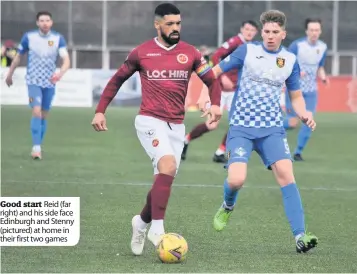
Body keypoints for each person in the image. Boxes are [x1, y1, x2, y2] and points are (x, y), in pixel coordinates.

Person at [91, 3, 222, 256]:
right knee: (168, 166)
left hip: (176, 125)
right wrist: (100, 110)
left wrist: (215, 104)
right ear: (157, 24)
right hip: (149, 120)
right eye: (170, 24)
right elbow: (117, 80)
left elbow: (211, 80)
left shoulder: (191, 53)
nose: (175, 28)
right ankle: (157, 230)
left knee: (163, 180)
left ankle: (140, 222)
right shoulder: (142, 52)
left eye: (178, 23)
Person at [208, 10, 318, 253]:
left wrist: (304, 113)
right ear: (262, 32)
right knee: (236, 180)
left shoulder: (289, 59)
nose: (270, 36)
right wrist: (211, 103)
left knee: (288, 177)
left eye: (275, 32)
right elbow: (213, 73)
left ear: (283, 34)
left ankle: (300, 236)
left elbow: (296, 97)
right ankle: (227, 206)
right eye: (266, 31)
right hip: (241, 128)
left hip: (272, 131)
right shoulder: (247, 51)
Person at [181, 20, 259, 163]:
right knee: (212, 124)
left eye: (252, 30)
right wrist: (222, 77)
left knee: (237, 124)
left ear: (256, 33)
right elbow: (215, 57)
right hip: (221, 89)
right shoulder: (235, 42)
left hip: (237, 91)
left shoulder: (253, 47)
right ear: (241, 29)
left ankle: (220, 152)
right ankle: (185, 140)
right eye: (247, 29)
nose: (249, 32)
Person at [5, 11, 70, 160]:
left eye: (47, 20)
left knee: (44, 115)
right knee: (36, 111)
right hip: (33, 82)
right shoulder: (29, 37)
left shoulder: (57, 38)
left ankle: (38, 145)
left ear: (51, 23)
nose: (45, 23)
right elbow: (18, 57)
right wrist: (9, 74)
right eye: (42, 20)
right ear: (37, 23)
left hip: (50, 83)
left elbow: (66, 59)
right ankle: (36, 148)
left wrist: (60, 73)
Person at [283, 18, 329, 161]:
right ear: (306, 31)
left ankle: (297, 153)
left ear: (320, 31)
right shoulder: (297, 46)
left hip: (311, 92)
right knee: (292, 123)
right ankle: (267, 127)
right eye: (311, 30)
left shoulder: (323, 47)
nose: (314, 33)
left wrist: (323, 77)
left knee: (309, 120)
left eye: (316, 30)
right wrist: (296, 72)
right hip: (294, 90)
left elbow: (320, 67)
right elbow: (284, 63)